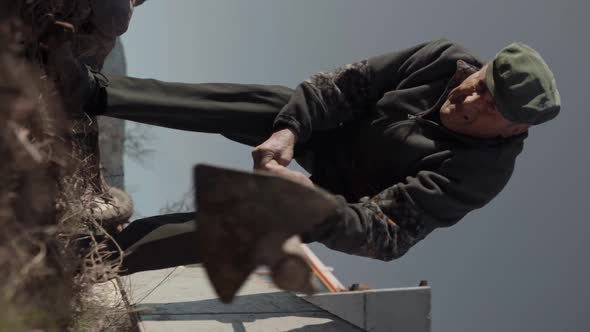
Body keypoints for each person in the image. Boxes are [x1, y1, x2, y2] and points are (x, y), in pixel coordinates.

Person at [52, 39, 560, 275]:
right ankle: (94, 93)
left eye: (491, 107)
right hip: (330, 133)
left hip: (341, 202)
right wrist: (290, 133)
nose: (469, 100)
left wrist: (312, 202)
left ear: (516, 128)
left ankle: (97, 255)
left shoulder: (481, 173)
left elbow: (389, 233)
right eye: (480, 84)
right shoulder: (443, 59)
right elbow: (345, 85)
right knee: (275, 105)